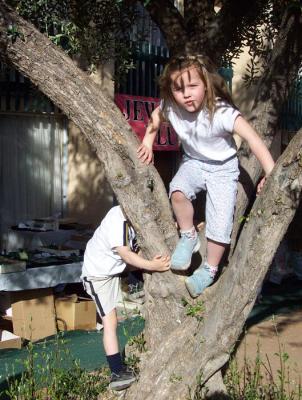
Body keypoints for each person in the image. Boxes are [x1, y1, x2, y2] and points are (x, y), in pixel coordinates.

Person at [137, 54, 275, 298]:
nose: (187, 94)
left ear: (206, 85)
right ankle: (189, 237)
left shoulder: (221, 112)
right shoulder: (171, 107)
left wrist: (270, 173)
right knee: (177, 192)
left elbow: (253, 139)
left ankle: (209, 270)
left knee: (220, 223)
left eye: (193, 86)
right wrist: (148, 141)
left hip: (223, 169)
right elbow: (156, 117)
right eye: (179, 89)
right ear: (171, 92)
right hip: (194, 162)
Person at [81, 205, 170, 390]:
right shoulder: (117, 219)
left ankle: (118, 370)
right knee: (110, 322)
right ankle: (116, 373)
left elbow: (133, 252)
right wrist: (153, 266)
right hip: (98, 275)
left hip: (115, 269)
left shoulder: (133, 218)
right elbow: (126, 254)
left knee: (114, 320)